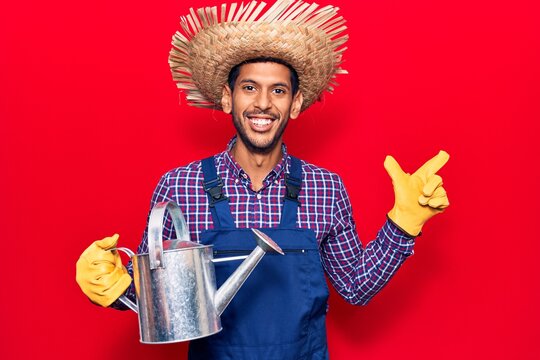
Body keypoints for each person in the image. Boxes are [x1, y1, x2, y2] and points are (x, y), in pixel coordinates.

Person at [76, 1, 450, 359]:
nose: (263, 104)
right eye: (250, 87)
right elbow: (157, 302)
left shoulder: (325, 188)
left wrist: (404, 224)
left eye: (279, 90)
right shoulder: (180, 187)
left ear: (296, 103)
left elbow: (355, 288)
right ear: (228, 98)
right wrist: (113, 285)